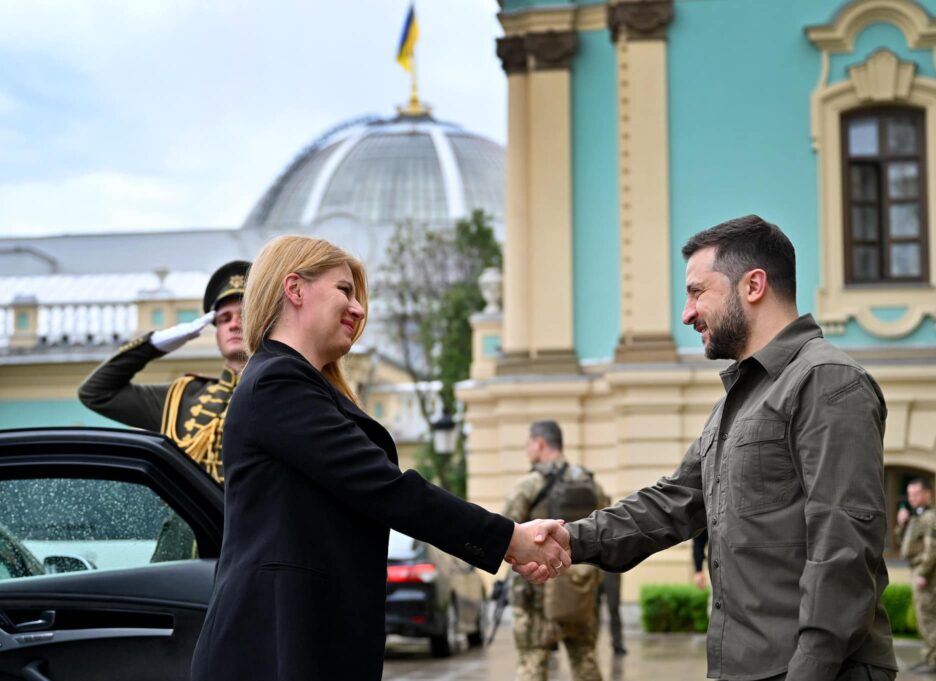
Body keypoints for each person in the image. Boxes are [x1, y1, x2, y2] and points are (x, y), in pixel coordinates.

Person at [525, 215, 897, 680]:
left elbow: (844, 549)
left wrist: (808, 671)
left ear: (753, 285)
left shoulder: (826, 381)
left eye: (697, 292)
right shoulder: (736, 403)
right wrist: (570, 540)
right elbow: (672, 502)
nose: (687, 313)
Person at [189, 235, 570, 681]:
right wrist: (508, 539)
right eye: (344, 290)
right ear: (294, 289)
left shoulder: (292, 384)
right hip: (274, 647)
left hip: (295, 640)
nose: (358, 309)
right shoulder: (278, 383)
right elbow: (387, 489)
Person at [79, 260, 251, 483]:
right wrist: (155, 343)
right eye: (224, 319)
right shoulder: (180, 399)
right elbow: (96, 393)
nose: (234, 324)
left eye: (244, 316)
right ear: (216, 333)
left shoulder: (285, 390)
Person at [503, 420, 607, 681]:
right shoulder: (591, 484)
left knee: (532, 664)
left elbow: (505, 534)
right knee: (586, 663)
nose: (527, 449)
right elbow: (606, 529)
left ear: (540, 444)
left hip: (538, 596)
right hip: (581, 592)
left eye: (529, 444)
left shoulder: (529, 485)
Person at [895, 477, 936, 673]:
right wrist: (902, 524)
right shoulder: (917, 515)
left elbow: (933, 549)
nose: (912, 498)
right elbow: (903, 543)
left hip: (926, 572)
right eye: (909, 494)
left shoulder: (932, 517)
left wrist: (924, 573)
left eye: (916, 494)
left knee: (928, 615)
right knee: (922, 616)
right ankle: (928, 656)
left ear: (928, 493)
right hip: (917, 569)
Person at [599, 571, 627, 656]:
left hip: (611, 570)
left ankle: (617, 643)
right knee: (592, 609)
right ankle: (590, 644)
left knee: (614, 607)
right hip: (592, 569)